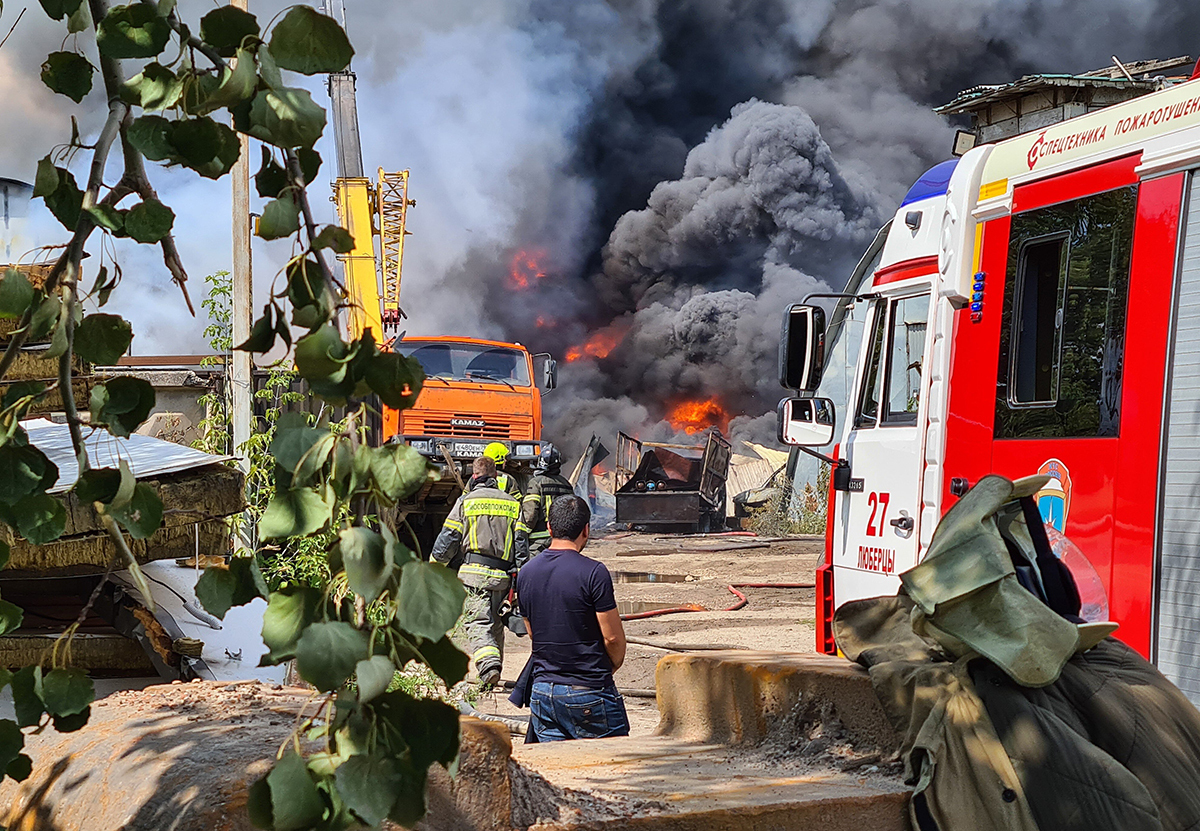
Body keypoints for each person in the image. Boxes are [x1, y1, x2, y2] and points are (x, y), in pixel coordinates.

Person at [516, 495, 629, 741]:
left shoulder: (525, 573)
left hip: (543, 693)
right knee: (612, 769)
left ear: (549, 527)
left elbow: (534, 633)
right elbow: (612, 639)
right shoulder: (594, 573)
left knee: (555, 773)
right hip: (589, 694)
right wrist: (610, 667)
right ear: (586, 529)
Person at [431, 455, 526, 686]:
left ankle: (489, 665)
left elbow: (448, 539)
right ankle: (492, 676)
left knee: (476, 623)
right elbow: (521, 545)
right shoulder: (513, 504)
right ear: (495, 476)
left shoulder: (466, 502)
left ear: (474, 477)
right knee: (495, 625)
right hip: (503, 578)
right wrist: (521, 579)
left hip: (474, 575)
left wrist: (434, 567)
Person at [517, 444, 575, 562]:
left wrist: (523, 535)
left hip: (538, 542)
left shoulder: (536, 483)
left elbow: (530, 513)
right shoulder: (567, 485)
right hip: (561, 541)